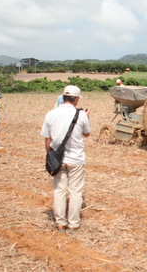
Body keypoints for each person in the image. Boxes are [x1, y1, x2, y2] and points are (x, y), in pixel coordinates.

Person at [41, 85, 91, 233]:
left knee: (59, 191)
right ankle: (74, 224)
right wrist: (87, 117)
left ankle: (60, 223)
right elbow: (87, 134)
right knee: (75, 192)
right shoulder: (81, 115)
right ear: (76, 99)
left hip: (58, 158)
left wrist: (50, 157)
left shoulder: (50, 114)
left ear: (63, 97)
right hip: (76, 159)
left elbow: (47, 139)